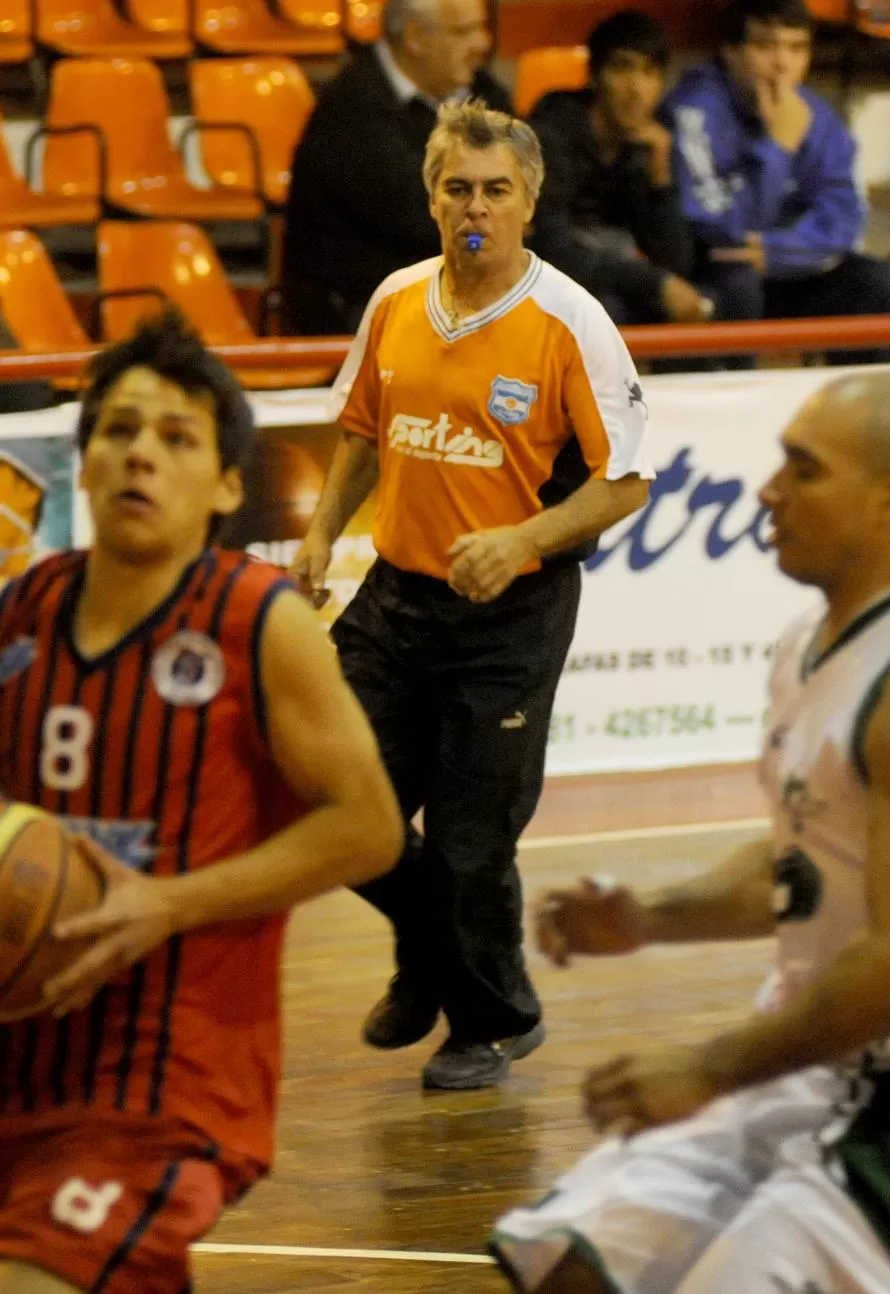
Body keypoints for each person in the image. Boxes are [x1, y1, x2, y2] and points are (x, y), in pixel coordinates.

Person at [491, 369, 890, 1294]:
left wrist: (709, 1065)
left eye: (804, 468)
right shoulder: (809, 643)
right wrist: (649, 919)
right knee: (569, 1266)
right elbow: (806, 862)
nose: (767, 489)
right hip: (804, 1052)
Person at [0, 310, 402, 1294]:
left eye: (177, 438)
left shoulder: (258, 625)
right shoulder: (25, 610)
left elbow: (370, 828)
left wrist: (168, 902)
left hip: (162, 1091)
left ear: (226, 484)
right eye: (119, 430)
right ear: (82, 461)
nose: (142, 453)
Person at [291, 101, 652, 1091]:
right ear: (430, 194)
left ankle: (489, 1020)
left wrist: (520, 539)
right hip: (394, 602)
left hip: (509, 616)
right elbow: (363, 428)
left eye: (496, 189)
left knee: (465, 840)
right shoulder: (397, 299)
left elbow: (624, 482)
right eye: (457, 188)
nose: (474, 207)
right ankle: (429, 955)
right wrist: (323, 532)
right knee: (336, 801)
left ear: (531, 200)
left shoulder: (571, 321)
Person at [660, 0, 890, 366]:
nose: (782, 64)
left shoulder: (813, 114)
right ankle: (734, 413)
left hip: (785, 266)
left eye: (796, 48)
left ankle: (866, 415)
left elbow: (845, 220)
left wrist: (778, 252)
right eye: (765, 46)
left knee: (873, 281)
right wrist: (777, 148)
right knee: (738, 282)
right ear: (731, 52)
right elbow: (720, 228)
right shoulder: (695, 110)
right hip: (714, 273)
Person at [283, 0, 510, 337]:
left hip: (455, 283)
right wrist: (498, 235)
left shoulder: (484, 93)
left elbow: (530, 186)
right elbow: (428, 221)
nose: (482, 44)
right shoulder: (351, 110)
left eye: (481, 28)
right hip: (363, 302)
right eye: (464, 32)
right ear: (416, 38)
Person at [529, 11, 711, 328]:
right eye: (622, 68)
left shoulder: (648, 144)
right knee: (607, 308)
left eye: (650, 72)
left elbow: (677, 262)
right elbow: (552, 250)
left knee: (716, 297)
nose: (637, 87)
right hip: (548, 280)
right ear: (594, 76)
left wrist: (660, 179)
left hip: (613, 276)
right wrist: (654, 282)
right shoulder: (549, 136)